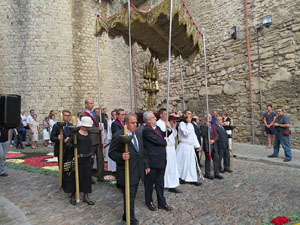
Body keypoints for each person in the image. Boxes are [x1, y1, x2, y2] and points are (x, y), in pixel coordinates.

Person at [109, 113, 147, 225]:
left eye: (136, 123)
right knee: (129, 196)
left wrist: (146, 165)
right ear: (126, 124)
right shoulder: (119, 135)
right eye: (132, 123)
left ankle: (126, 216)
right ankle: (131, 219)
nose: (135, 125)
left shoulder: (138, 134)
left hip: (137, 171)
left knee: (132, 195)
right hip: (126, 171)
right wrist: (121, 157)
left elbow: (142, 152)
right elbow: (111, 153)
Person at [142, 111, 173, 212]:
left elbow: (164, 135)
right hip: (152, 161)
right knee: (149, 183)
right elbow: (159, 141)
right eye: (153, 117)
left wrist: (169, 128)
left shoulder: (157, 128)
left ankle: (162, 202)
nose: (155, 119)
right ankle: (149, 201)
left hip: (161, 159)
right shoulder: (146, 130)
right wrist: (165, 140)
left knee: (160, 183)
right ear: (148, 121)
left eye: (155, 117)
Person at [64, 116, 94, 206]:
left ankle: (86, 196)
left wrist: (91, 153)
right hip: (78, 159)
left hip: (87, 159)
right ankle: (73, 195)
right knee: (75, 177)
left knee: (87, 177)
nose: (87, 128)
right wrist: (74, 146)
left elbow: (89, 144)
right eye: (86, 126)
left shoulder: (89, 133)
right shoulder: (75, 134)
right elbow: (67, 144)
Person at [156, 108, 182, 193]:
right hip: (165, 147)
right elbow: (162, 135)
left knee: (172, 167)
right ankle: (164, 183)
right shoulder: (158, 124)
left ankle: (172, 184)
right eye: (165, 114)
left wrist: (173, 128)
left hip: (171, 148)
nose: (167, 116)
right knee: (166, 167)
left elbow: (173, 135)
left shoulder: (167, 123)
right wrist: (168, 127)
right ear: (161, 115)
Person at [81, 99, 105, 182]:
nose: (92, 105)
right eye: (91, 103)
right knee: (90, 159)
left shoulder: (94, 114)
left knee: (101, 158)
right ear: (86, 105)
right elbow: (86, 127)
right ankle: (88, 177)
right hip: (90, 139)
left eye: (93, 103)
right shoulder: (83, 115)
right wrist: (97, 129)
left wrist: (101, 111)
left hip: (97, 139)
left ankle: (100, 176)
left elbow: (100, 119)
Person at [176, 110, 202, 186]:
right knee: (181, 163)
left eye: (191, 114)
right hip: (183, 146)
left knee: (191, 163)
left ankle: (192, 178)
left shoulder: (190, 125)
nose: (190, 115)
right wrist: (189, 123)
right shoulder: (182, 124)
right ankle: (179, 177)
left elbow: (193, 135)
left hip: (190, 147)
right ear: (184, 115)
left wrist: (197, 145)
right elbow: (186, 133)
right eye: (188, 114)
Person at [200, 114, 223, 180]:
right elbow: (203, 134)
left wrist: (214, 140)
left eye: (210, 117)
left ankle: (217, 173)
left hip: (214, 145)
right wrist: (207, 127)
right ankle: (207, 173)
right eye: (208, 117)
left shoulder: (212, 126)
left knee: (216, 159)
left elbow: (217, 135)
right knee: (208, 160)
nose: (210, 118)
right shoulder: (203, 126)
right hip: (207, 145)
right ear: (205, 118)